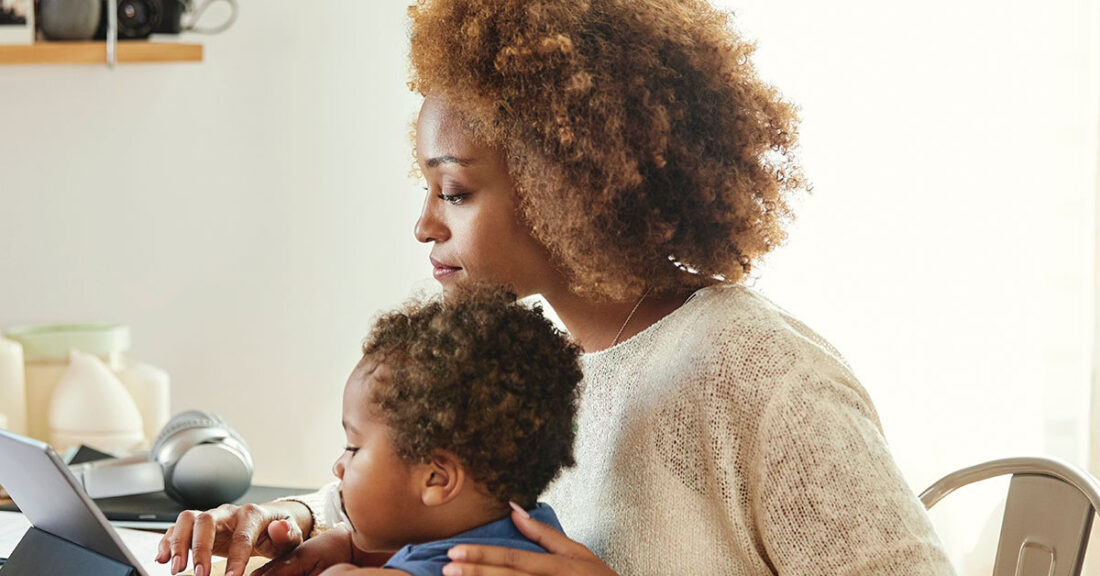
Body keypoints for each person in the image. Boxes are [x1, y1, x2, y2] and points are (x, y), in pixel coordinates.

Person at [159, 0, 957, 574]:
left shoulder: (757, 374)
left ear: (570, 183)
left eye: (456, 192)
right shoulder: (534, 361)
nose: (425, 227)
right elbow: (431, 492)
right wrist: (287, 522)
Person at [156, 286, 583, 576]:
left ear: (436, 479)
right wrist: (345, 546)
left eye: (354, 447)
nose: (338, 467)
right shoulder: (535, 532)